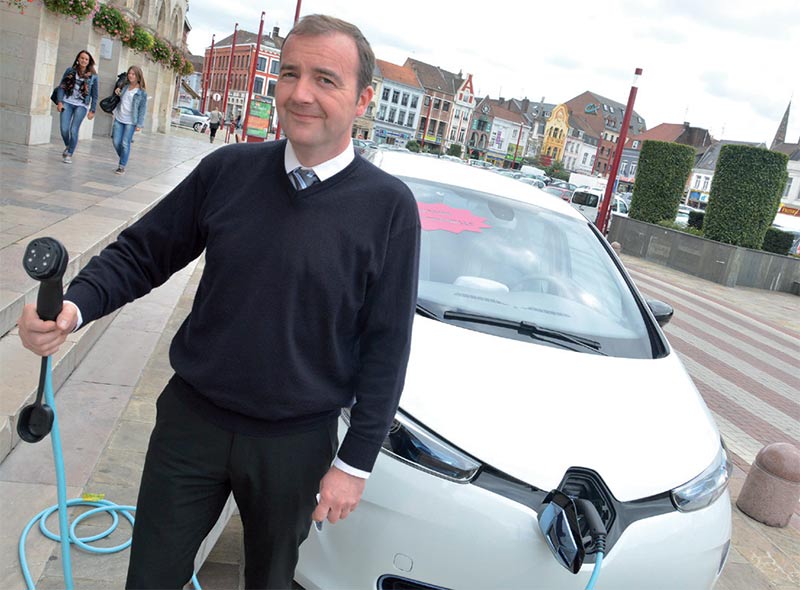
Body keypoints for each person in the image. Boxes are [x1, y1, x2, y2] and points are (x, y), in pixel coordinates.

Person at [17, 14, 420, 590]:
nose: (300, 93)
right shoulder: (228, 171)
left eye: (326, 79)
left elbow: (387, 344)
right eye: (289, 73)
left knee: (270, 580)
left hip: (294, 443)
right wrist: (73, 307)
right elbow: (143, 253)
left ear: (363, 100)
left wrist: (353, 465)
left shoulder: (390, 208)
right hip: (192, 423)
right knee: (151, 578)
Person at [55, 50, 99, 164]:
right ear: (78, 59)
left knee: (74, 130)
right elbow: (62, 87)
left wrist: (92, 110)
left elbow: (95, 95)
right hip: (67, 102)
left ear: (89, 62)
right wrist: (60, 102)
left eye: (86, 59)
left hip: (82, 105)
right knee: (64, 128)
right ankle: (69, 145)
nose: (84, 60)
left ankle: (69, 153)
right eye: (82, 58)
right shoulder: (70, 71)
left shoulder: (93, 76)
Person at [111, 66, 148, 175]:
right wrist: (118, 91)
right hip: (119, 117)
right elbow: (120, 99)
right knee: (116, 141)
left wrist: (139, 124)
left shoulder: (142, 93)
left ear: (138, 77)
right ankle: (124, 157)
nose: (130, 76)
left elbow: (142, 109)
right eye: (129, 73)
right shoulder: (125, 87)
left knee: (125, 143)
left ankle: (122, 166)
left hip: (131, 121)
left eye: (133, 74)